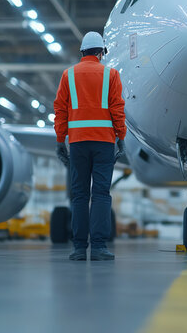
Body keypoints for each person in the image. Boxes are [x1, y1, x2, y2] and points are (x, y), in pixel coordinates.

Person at [53, 31, 126, 261]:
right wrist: (120, 137)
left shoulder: (68, 75)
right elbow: (117, 109)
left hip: (77, 142)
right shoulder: (111, 75)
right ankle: (99, 247)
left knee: (80, 195)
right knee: (101, 194)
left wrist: (60, 140)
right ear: (101, 52)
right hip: (104, 142)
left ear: (82, 52)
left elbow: (60, 110)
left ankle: (78, 249)